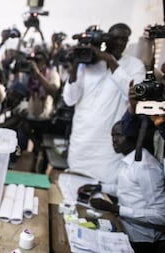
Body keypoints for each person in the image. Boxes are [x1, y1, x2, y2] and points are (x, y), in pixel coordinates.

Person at [63, 23, 145, 183]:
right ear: (106, 39)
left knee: (103, 192)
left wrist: (111, 62)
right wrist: (74, 65)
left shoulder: (135, 65)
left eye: (124, 39)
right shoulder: (87, 62)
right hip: (81, 143)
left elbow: (134, 95)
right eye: (115, 38)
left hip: (107, 150)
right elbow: (70, 99)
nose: (119, 43)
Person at [78, 120, 165, 253]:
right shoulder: (128, 160)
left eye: (119, 135)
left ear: (134, 136)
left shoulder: (146, 168)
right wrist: (99, 188)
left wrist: (115, 208)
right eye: (112, 136)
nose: (114, 140)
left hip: (141, 240)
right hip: (123, 228)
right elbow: (126, 190)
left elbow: (161, 215)